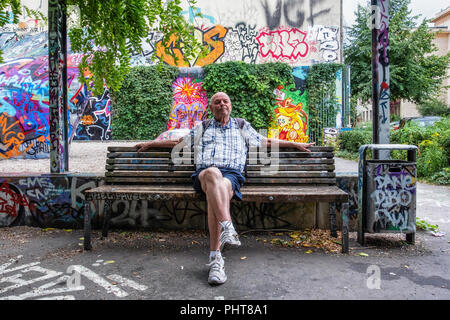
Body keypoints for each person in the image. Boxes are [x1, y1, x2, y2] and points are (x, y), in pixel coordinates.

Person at [136, 92, 314, 285]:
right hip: (205, 174)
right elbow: (179, 143)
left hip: (232, 176)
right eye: (217, 102)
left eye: (225, 101)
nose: (222, 104)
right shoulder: (203, 127)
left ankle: (216, 260)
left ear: (231, 105)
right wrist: (152, 143)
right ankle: (227, 228)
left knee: (217, 192)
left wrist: (294, 143)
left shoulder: (242, 126)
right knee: (213, 174)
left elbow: (266, 142)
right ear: (211, 108)